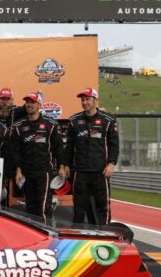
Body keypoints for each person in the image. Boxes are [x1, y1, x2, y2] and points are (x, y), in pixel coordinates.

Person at [65, 87, 119, 225]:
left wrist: (111, 164)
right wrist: (66, 164)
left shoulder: (108, 120)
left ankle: (105, 235)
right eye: (82, 100)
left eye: (87, 99)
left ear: (95, 101)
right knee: (78, 208)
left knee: (103, 206)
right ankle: (77, 235)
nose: (84, 102)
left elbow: (114, 145)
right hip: (80, 171)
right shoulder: (74, 120)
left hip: (100, 171)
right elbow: (69, 146)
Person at [10, 91, 67, 220]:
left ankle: (46, 237)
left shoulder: (51, 124)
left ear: (39, 104)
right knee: (30, 208)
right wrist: (18, 171)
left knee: (43, 207)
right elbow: (17, 151)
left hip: (44, 172)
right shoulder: (19, 126)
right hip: (26, 172)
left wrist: (62, 166)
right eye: (27, 102)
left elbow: (59, 147)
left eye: (32, 102)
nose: (29, 105)